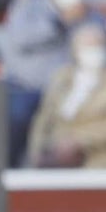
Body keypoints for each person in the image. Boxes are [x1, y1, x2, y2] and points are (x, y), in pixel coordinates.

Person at [0, 0, 103, 168]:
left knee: (16, 120)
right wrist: (58, 21)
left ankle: (7, 182)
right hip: (14, 82)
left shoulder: (88, 17)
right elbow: (19, 37)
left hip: (45, 91)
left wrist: (74, 19)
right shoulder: (32, 4)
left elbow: (89, 51)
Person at [27, 22, 106, 168]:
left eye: (98, 46)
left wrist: (79, 141)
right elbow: (44, 117)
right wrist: (37, 150)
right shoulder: (61, 77)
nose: (94, 52)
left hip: (94, 157)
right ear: (75, 50)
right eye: (88, 47)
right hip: (55, 155)